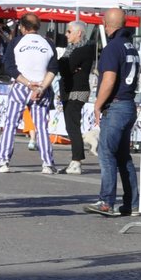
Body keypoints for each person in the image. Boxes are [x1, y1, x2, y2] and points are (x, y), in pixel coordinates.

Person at [84, 8, 139, 217]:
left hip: (116, 107)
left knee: (107, 154)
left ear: (107, 25)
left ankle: (106, 202)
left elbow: (109, 79)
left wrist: (98, 105)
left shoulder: (112, 48)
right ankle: (132, 203)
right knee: (123, 156)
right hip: (129, 105)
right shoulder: (131, 47)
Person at [0, 14, 59, 174]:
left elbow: (9, 67)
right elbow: (53, 69)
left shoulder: (16, 42)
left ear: (22, 27)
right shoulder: (48, 43)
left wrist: (28, 83)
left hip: (22, 85)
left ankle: (3, 161)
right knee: (41, 127)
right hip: (42, 87)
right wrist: (41, 87)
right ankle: (47, 163)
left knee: (10, 124)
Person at [56, 20, 96, 175]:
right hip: (69, 89)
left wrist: (68, 66)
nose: (66, 34)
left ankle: (76, 161)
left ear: (78, 33)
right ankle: (75, 160)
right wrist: (66, 65)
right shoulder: (72, 48)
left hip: (77, 90)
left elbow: (66, 67)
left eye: (69, 31)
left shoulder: (83, 49)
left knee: (72, 125)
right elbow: (63, 66)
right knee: (70, 125)